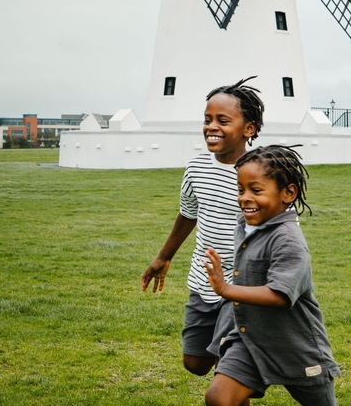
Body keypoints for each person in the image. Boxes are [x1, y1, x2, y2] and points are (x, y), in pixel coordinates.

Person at [141, 77, 265, 382]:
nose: (212, 126)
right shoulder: (196, 168)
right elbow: (188, 214)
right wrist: (164, 257)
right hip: (202, 279)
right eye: (207, 119)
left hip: (242, 285)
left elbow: (281, 232)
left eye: (223, 120)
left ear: (248, 128)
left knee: (228, 370)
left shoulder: (262, 172)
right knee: (195, 363)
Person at [203, 145, 340, 406]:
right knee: (220, 398)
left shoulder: (288, 239)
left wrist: (225, 290)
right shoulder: (244, 225)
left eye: (256, 190)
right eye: (240, 189)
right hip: (248, 338)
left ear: (288, 193)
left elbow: (279, 295)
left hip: (295, 345)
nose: (244, 198)